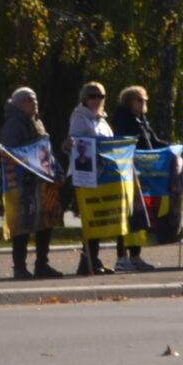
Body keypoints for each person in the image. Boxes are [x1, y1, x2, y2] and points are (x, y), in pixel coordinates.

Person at [1, 87, 62, 279]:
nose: (34, 102)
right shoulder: (13, 124)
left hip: (42, 181)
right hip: (23, 183)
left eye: (35, 99)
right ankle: (19, 267)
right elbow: (11, 152)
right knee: (23, 225)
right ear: (19, 104)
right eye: (30, 99)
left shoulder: (37, 122)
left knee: (45, 222)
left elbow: (46, 149)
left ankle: (42, 264)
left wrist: (56, 170)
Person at [110, 84, 161, 272]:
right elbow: (124, 142)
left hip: (143, 172)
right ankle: (121, 257)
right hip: (127, 172)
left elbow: (153, 141)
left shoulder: (142, 120)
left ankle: (136, 256)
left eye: (145, 100)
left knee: (140, 215)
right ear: (129, 101)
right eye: (139, 100)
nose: (143, 103)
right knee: (127, 214)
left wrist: (176, 147)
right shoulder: (123, 118)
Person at [69, 81, 114, 276]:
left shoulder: (102, 120)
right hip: (85, 176)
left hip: (102, 175)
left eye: (100, 96)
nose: (96, 100)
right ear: (85, 98)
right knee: (90, 219)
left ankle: (93, 259)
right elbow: (77, 143)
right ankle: (87, 261)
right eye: (92, 96)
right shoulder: (80, 118)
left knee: (99, 220)